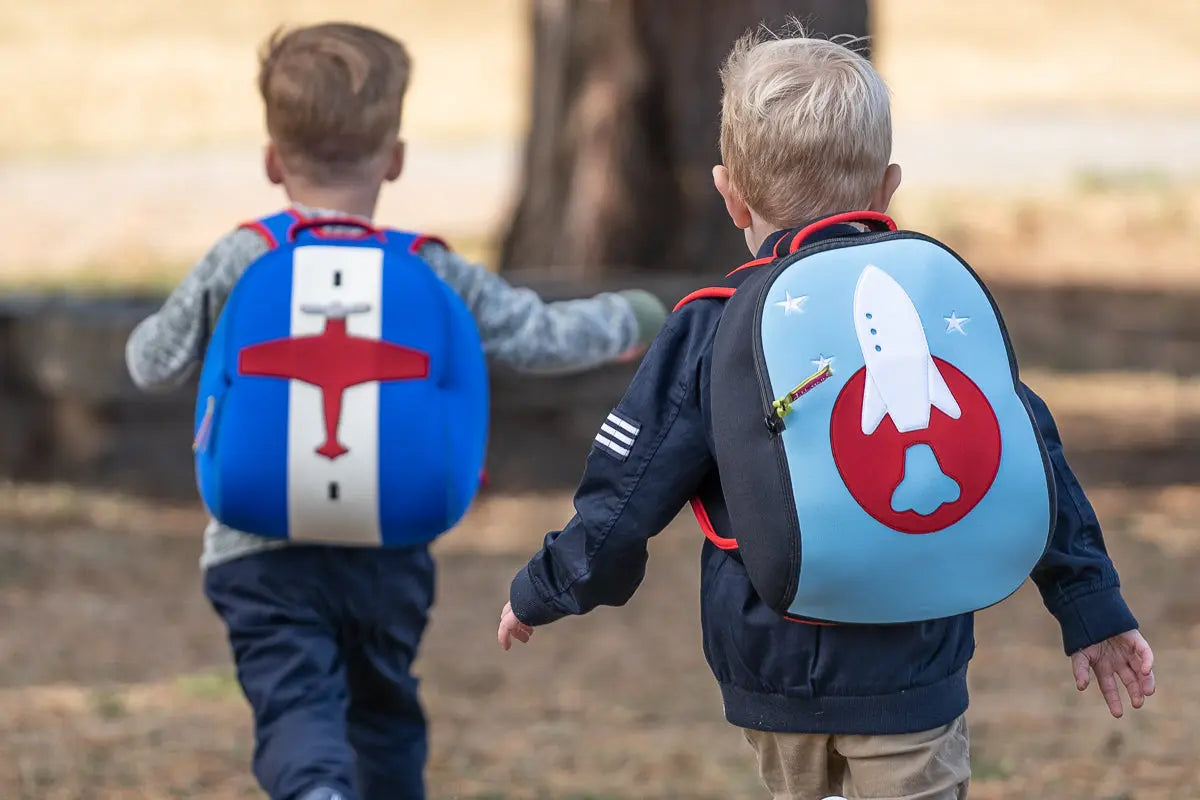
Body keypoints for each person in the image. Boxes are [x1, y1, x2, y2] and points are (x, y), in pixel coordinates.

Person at [497, 29, 1155, 800]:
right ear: (888, 187)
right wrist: (1089, 603)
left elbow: (627, 490)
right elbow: (1027, 455)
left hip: (769, 657)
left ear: (729, 193)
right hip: (915, 657)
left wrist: (548, 585)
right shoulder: (935, 302)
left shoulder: (714, 325)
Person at [125, 22, 666, 800]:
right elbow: (537, 336)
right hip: (388, 547)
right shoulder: (432, 268)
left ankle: (313, 787)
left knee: (295, 702)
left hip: (257, 548)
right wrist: (632, 320)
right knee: (383, 713)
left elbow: (152, 363)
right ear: (396, 158)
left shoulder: (242, 255)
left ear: (274, 161)